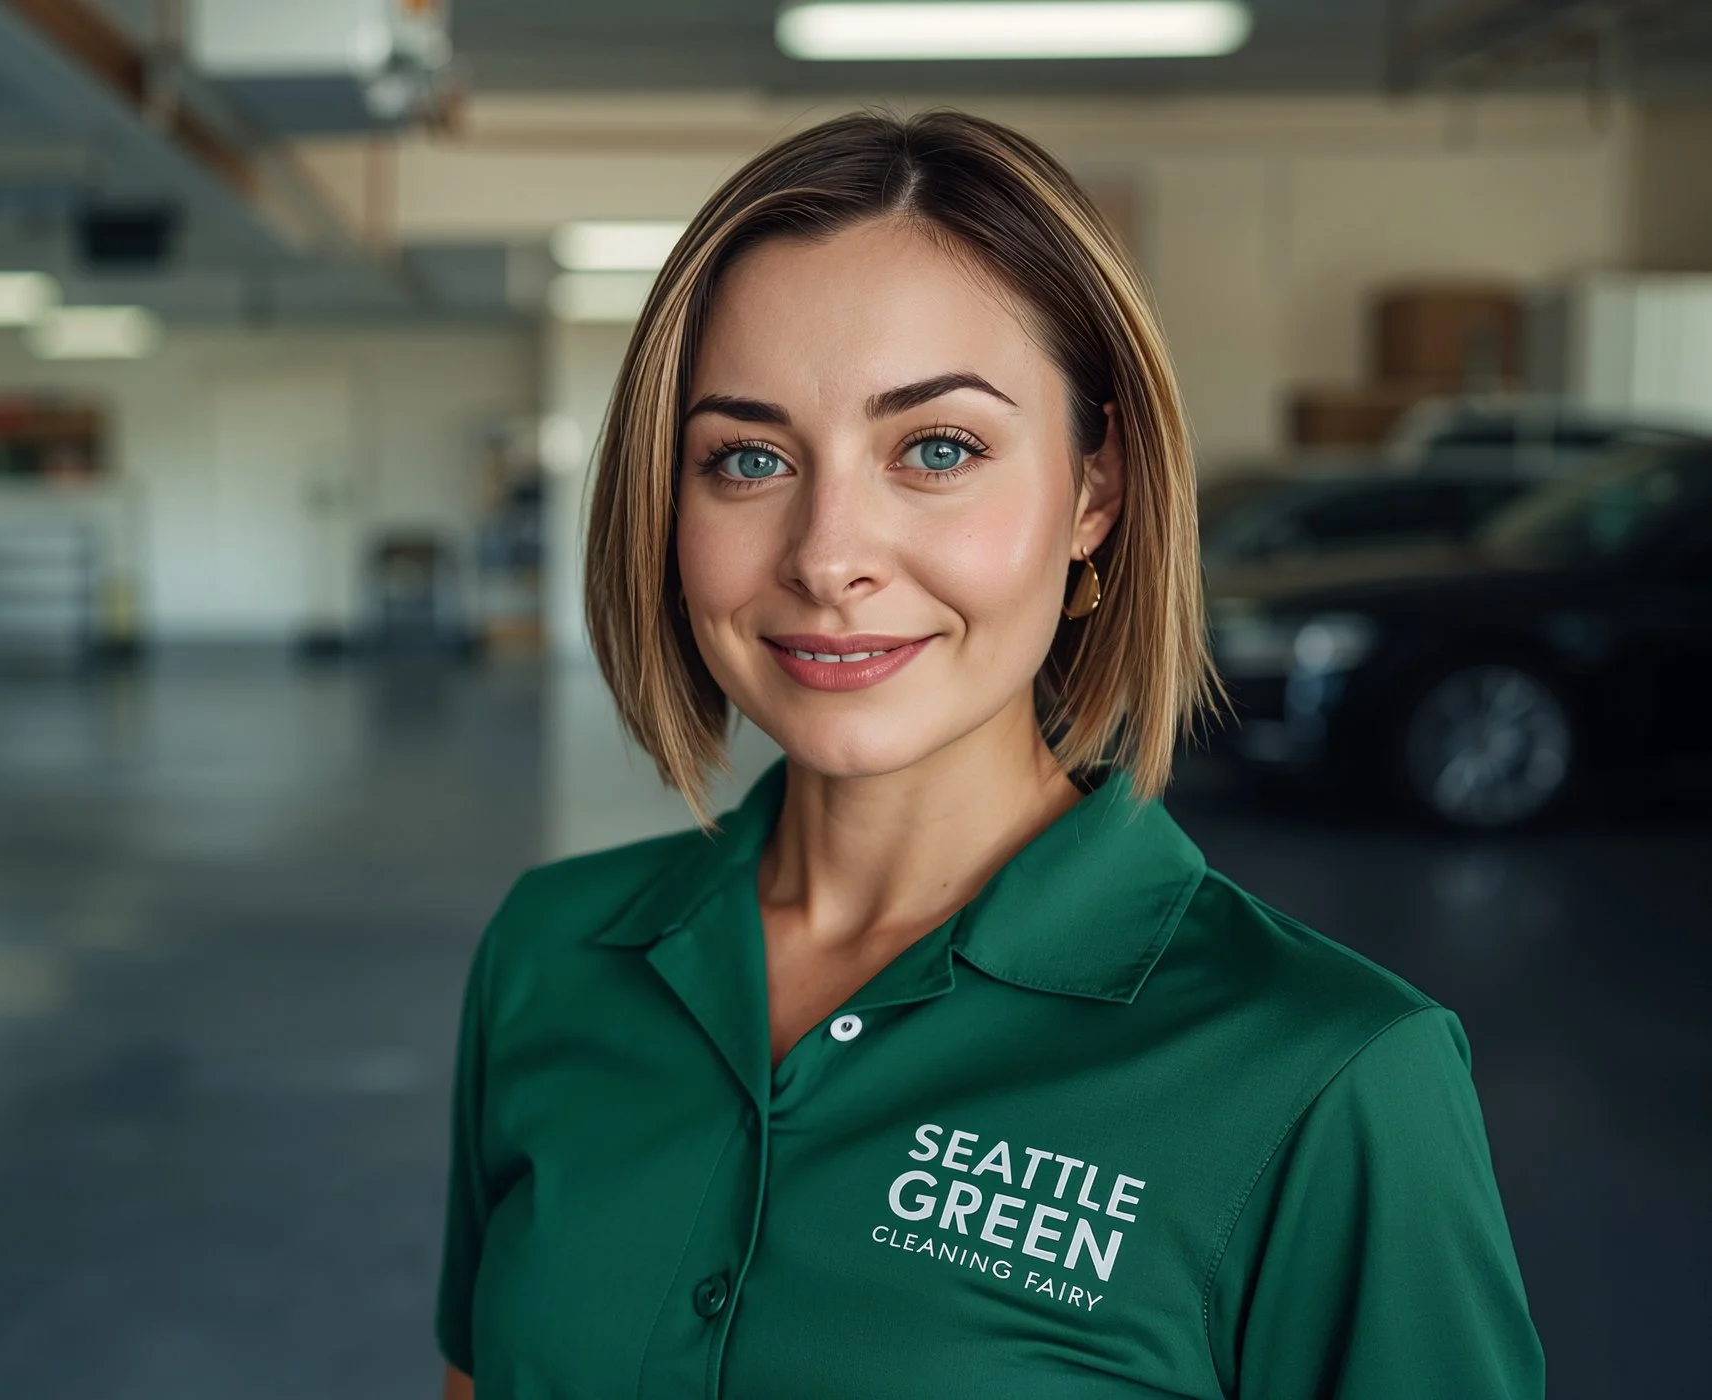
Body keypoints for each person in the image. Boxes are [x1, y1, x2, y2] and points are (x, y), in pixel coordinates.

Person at [435, 111, 1542, 1399]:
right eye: (746, 458)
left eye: (938, 450)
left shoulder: (1334, 1079)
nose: (826, 553)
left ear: (1096, 489)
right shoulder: (550, 956)